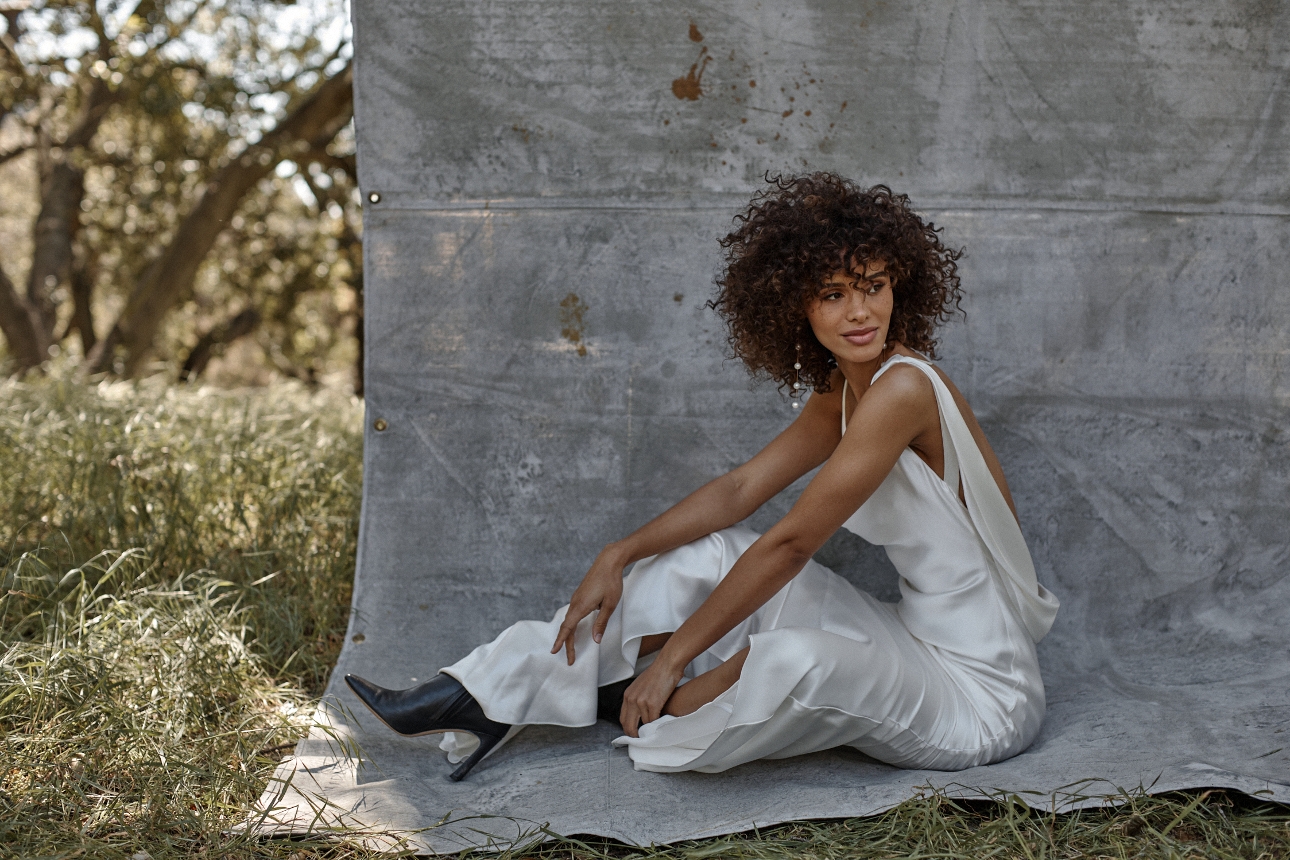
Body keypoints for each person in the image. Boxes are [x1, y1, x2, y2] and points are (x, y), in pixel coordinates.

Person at [345, 173, 1060, 782]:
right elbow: (740, 491)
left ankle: (638, 698)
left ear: (900, 283)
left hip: (982, 695)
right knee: (709, 555)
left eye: (873, 286)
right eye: (833, 294)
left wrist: (676, 656)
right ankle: (475, 694)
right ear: (797, 305)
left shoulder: (903, 389)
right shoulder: (843, 391)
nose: (860, 312)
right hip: (907, 635)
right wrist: (619, 552)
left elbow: (792, 545)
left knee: (788, 659)